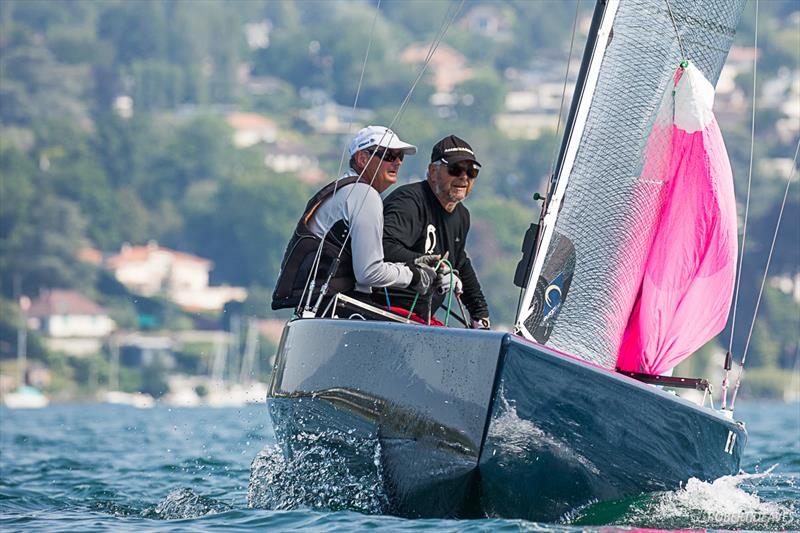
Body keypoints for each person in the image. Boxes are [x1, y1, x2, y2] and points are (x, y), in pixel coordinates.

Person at [272, 125, 438, 313]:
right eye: (388, 155)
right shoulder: (364, 194)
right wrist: (415, 276)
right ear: (362, 159)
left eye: (400, 156)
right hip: (337, 308)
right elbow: (369, 272)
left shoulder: (342, 189)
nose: (398, 162)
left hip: (318, 308)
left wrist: (410, 265)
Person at [382, 135, 491, 328]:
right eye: (455, 169)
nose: (464, 177)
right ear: (433, 172)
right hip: (385, 312)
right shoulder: (409, 202)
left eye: (472, 171)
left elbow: (460, 262)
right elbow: (383, 247)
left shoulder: (462, 215)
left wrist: (480, 313)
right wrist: (439, 268)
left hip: (421, 321)